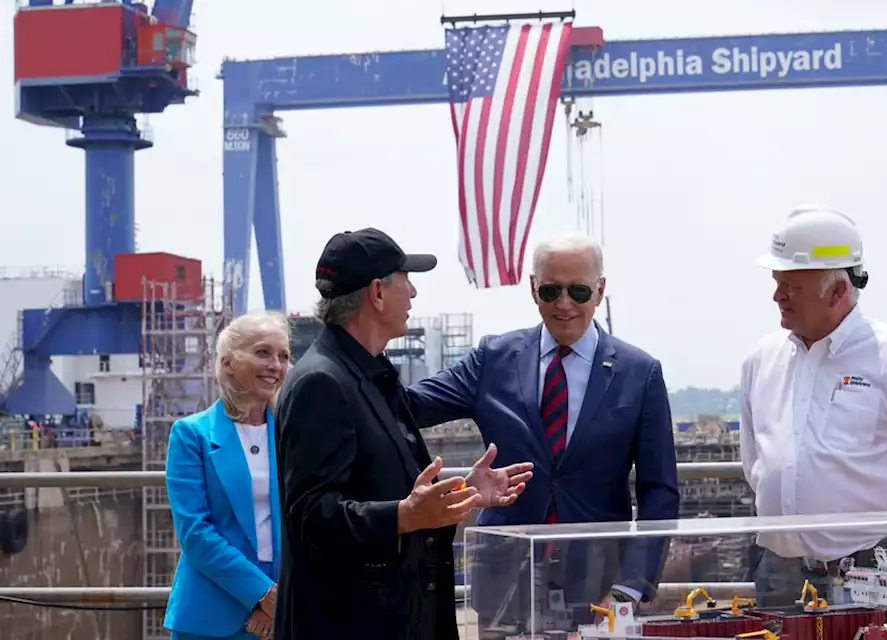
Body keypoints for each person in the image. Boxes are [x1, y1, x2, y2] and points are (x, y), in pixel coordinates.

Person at [272, 228, 534, 640]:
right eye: (405, 279)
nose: (412, 292)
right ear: (377, 292)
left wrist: (460, 493)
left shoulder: (369, 373)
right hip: (349, 625)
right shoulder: (321, 383)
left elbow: (389, 488)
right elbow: (310, 515)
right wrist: (404, 515)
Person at [405, 232, 679, 617]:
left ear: (599, 291)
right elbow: (409, 407)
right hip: (506, 588)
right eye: (551, 291)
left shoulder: (640, 374)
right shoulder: (493, 359)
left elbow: (660, 494)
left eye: (578, 292)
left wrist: (628, 590)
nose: (564, 305)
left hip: (599, 588)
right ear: (533, 289)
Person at [739, 205, 887, 607]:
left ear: (837, 291)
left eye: (792, 286)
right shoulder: (761, 361)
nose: (777, 295)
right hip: (779, 572)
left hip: (875, 569)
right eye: (777, 282)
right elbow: (757, 464)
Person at [164, 310, 292, 639]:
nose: (276, 365)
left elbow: (307, 520)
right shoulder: (191, 435)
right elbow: (195, 533)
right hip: (212, 615)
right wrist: (262, 595)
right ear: (227, 362)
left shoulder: (293, 434)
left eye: (283, 356)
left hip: (281, 611)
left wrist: (282, 599)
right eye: (263, 352)